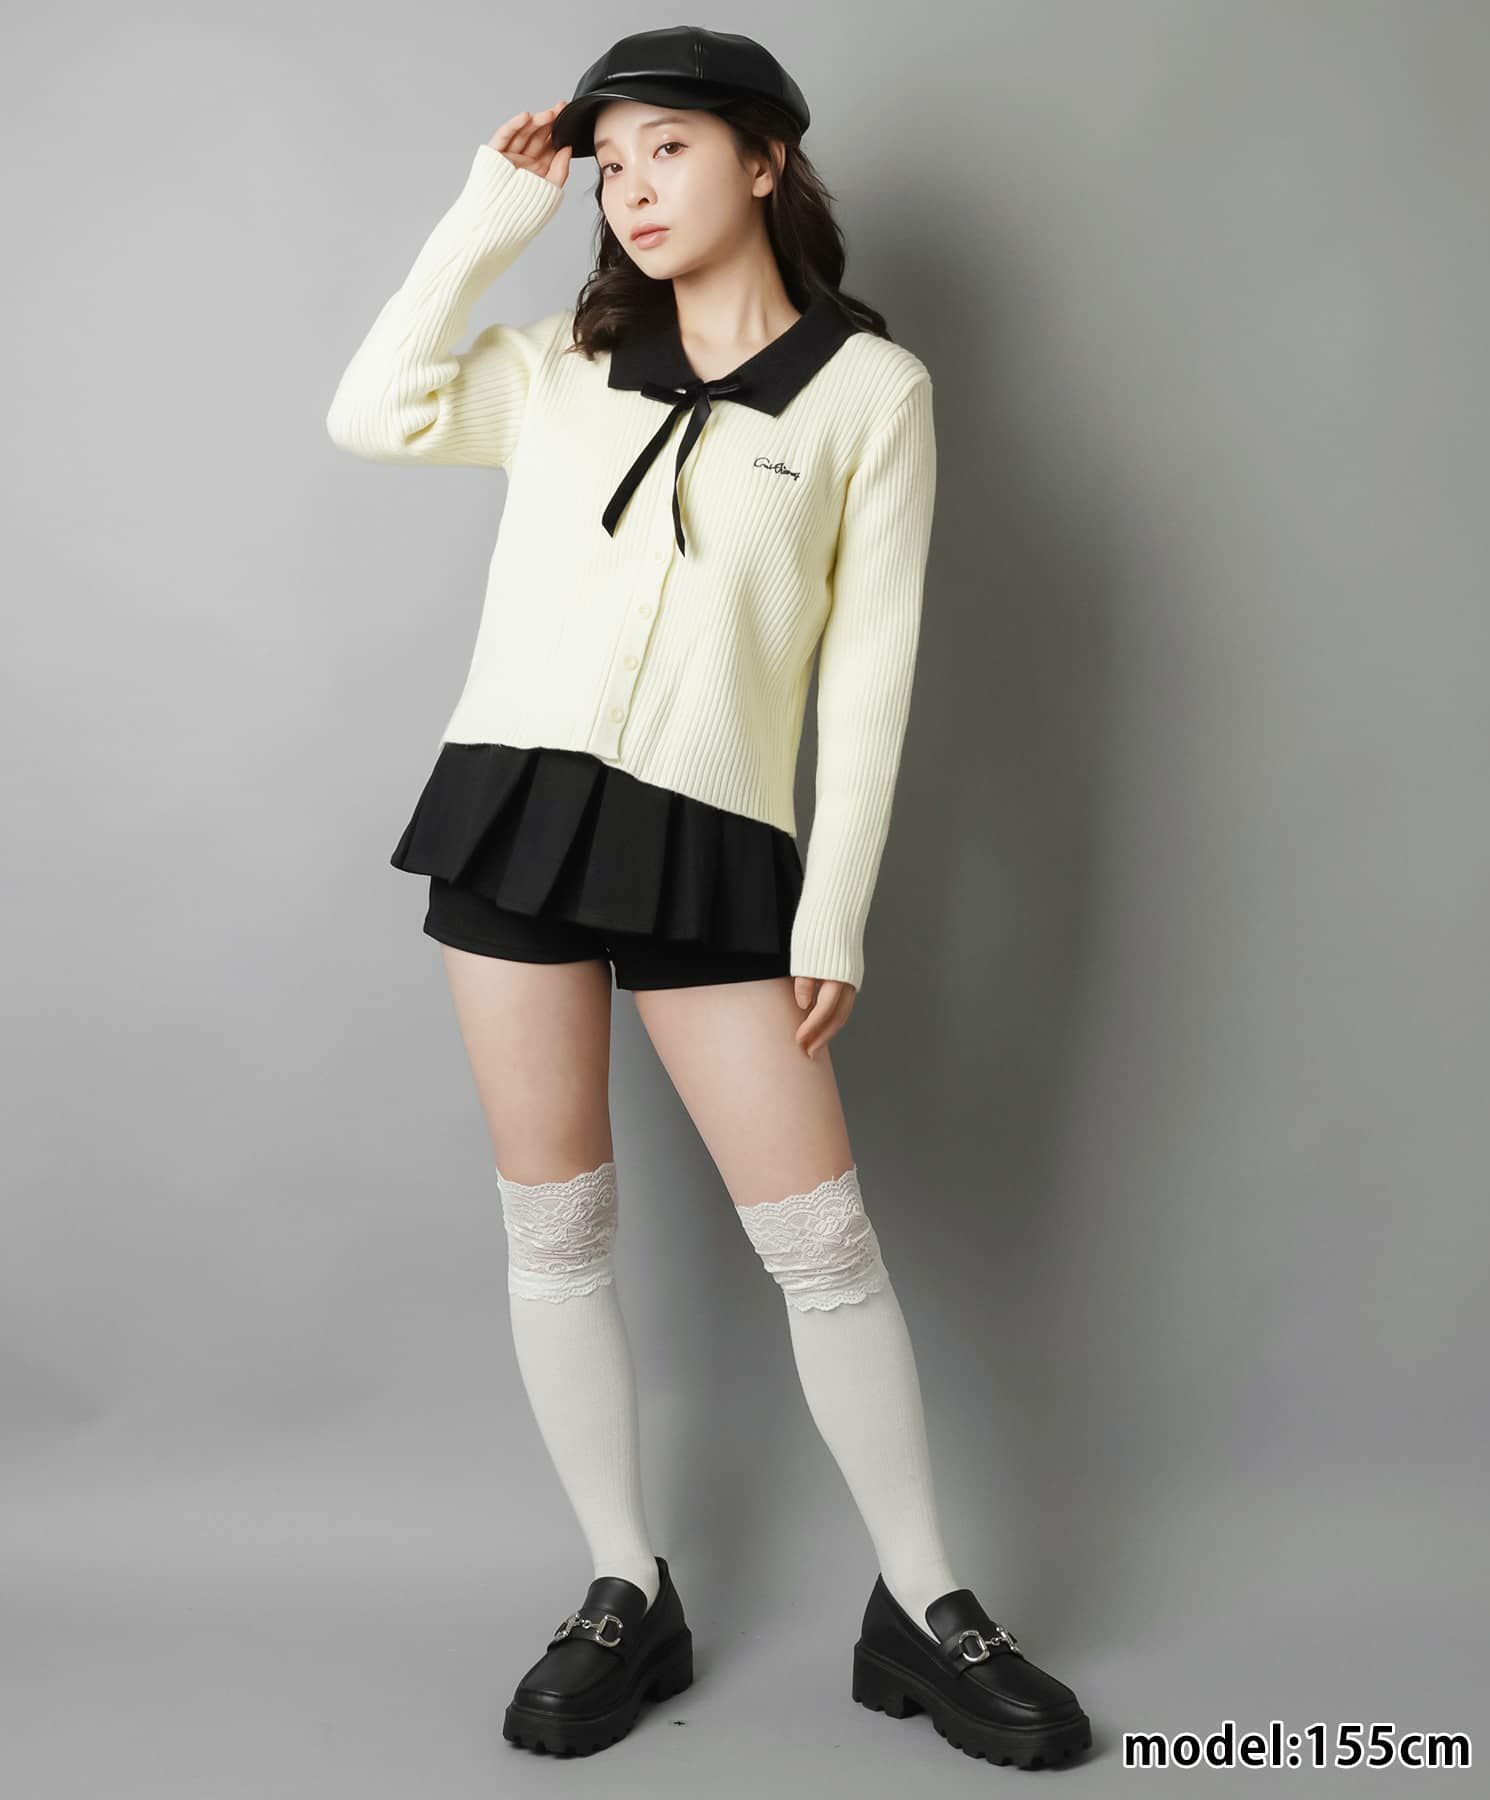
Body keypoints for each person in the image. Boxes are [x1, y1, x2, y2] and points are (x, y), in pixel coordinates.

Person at [326, 24, 1090, 1770]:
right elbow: (370, 412)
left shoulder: (871, 395)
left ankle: (926, 1605)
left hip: (712, 839)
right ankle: (625, 1585)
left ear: (764, 159)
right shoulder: (562, 364)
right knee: (556, 1228)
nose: (630, 188)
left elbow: (869, 670)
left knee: (822, 1247)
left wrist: (837, 910)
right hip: (514, 811)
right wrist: (487, 216)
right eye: (609, 163)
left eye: (666, 147)